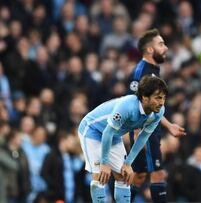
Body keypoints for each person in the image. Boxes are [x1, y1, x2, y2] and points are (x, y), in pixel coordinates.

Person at [77, 75, 168, 203]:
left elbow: (143, 137)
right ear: (144, 97)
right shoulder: (127, 107)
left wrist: (128, 163)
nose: (162, 102)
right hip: (92, 130)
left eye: (163, 98)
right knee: (100, 176)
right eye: (158, 98)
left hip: (113, 135)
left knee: (124, 176)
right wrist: (104, 162)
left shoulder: (158, 112)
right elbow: (107, 132)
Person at [126, 29, 186, 203]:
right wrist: (137, 133)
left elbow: (155, 107)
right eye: (161, 44)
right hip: (145, 133)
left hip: (152, 129)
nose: (165, 47)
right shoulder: (140, 72)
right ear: (150, 50)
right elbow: (133, 105)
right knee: (157, 174)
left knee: (138, 176)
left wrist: (169, 126)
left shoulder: (153, 71)